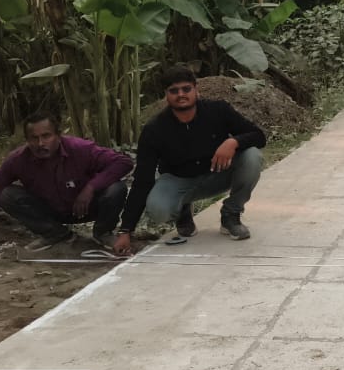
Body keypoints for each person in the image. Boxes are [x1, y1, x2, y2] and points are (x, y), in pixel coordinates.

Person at [112, 66, 266, 255]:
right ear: (166, 95)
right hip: (179, 180)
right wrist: (125, 230)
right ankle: (182, 211)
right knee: (158, 210)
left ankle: (231, 215)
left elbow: (259, 136)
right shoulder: (154, 130)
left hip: (218, 174)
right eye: (174, 91)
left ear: (196, 89)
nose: (181, 95)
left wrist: (233, 142)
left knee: (252, 156)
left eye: (186, 89)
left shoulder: (218, 110)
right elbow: (142, 180)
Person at [0, 112, 132, 258]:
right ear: (27, 140)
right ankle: (56, 234)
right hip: (51, 211)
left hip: (86, 208)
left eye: (46, 136)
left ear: (58, 135)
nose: (40, 143)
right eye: (33, 138)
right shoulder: (18, 160)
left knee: (116, 188)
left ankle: (103, 232)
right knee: (3, 193)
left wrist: (90, 188)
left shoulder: (81, 149)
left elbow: (123, 162)